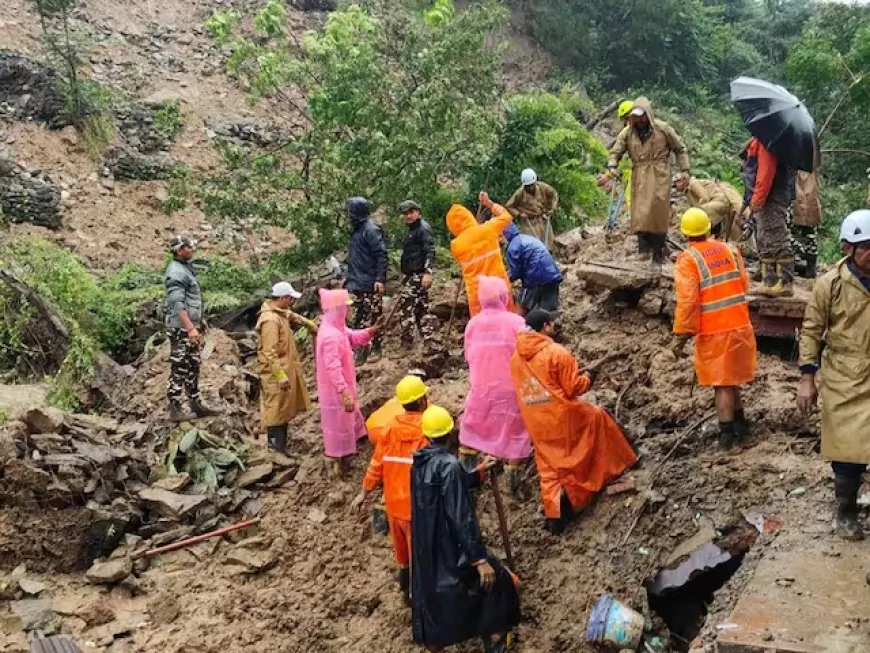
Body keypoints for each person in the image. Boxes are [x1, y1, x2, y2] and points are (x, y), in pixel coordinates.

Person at [511, 310, 637, 534]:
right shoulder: (556, 352)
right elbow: (573, 388)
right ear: (546, 326)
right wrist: (589, 378)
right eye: (552, 323)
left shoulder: (515, 359)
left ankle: (555, 514)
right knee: (597, 417)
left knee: (549, 467)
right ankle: (617, 466)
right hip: (563, 416)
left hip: (536, 421)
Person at [411, 405, 521, 653]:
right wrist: (478, 559)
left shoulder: (420, 463)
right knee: (499, 581)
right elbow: (460, 515)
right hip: (452, 546)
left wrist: (478, 473)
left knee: (439, 600)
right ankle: (495, 636)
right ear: (452, 433)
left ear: (427, 435)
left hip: (429, 547)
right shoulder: (449, 465)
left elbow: (445, 490)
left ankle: (436, 643)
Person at [797, 210, 870, 540]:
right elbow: (811, 331)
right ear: (847, 248)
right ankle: (846, 511)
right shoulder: (830, 284)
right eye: (866, 247)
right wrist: (807, 378)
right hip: (844, 376)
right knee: (846, 451)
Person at [671, 209, 758, 449]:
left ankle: (726, 436)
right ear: (709, 228)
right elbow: (743, 284)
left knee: (722, 384)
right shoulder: (730, 250)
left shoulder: (688, 259)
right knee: (732, 380)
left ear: (685, 234)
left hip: (716, 331)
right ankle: (741, 425)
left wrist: (681, 335)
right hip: (741, 326)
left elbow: (688, 302)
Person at [352, 375, 431, 603]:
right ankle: (417, 599)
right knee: (419, 557)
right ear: (422, 400)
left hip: (394, 507)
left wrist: (364, 492)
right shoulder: (426, 431)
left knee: (402, 554)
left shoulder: (389, 429)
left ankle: (405, 591)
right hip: (416, 508)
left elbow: (376, 464)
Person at [458, 276, 531, 494]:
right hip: (511, 388)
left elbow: (469, 355)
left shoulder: (473, 324)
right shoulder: (516, 322)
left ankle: (466, 479)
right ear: (503, 296)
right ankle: (512, 480)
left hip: (481, 389)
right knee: (516, 430)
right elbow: (528, 352)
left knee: (472, 426)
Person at [606, 97, 690, 268]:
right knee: (640, 212)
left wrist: (685, 170)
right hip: (640, 174)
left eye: (641, 117)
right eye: (635, 117)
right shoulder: (627, 133)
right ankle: (643, 250)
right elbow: (616, 151)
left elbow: (680, 149)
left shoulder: (663, 129)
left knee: (657, 210)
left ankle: (658, 251)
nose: (639, 121)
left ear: (648, 115)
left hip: (659, 173)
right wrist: (612, 165)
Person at [316, 288, 383, 479]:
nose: (350, 310)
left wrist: (371, 331)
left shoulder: (336, 328)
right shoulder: (330, 336)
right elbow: (333, 367)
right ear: (339, 308)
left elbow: (352, 337)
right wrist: (344, 392)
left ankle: (348, 454)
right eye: (347, 307)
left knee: (348, 420)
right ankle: (337, 464)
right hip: (336, 390)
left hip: (342, 386)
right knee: (338, 425)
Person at [164, 235, 220, 421]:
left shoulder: (186, 268)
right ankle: (175, 407)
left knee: (193, 363)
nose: (192, 249)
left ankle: (195, 402)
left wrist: (198, 324)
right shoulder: (176, 272)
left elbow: (191, 300)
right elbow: (177, 303)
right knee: (180, 365)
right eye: (188, 247)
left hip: (191, 325)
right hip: (181, 328)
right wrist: (189, 328)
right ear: (180, 250)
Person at [255, 282, 316, 454]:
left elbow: (291, 315)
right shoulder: (270, 321)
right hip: (274, 373)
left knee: (284, 408)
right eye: (290, 299)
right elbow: (269, 352)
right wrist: (280, 375)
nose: (292, 302)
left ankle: (281, 447)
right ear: (282, 298)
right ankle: (275, 449)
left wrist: (308, 323)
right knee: (276, 409)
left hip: (283, 369)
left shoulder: (279, 312)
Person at [741, 137, 796, 297]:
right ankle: (769, 281)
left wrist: (757, 200)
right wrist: (748, 200)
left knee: (776, 236)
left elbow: (765, 173)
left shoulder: (768, 143)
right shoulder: (760, 141)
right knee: (765, 238)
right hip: (766, 195)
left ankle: (785, 282)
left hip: (771, 195)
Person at [447, 191, 515, 317]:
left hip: (477, 294)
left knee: (481, 327)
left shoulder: (455, 245)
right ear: (468, 216)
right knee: (508, 322)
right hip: (499, 287)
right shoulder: (488, 228)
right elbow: (506, 217)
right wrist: (489, 204)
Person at [346, 197, 388, 364]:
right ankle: (361, 350)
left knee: (374, 315)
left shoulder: (371, 230)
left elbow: (381, 255)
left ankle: (376, 348)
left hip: (370, 282)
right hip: (357, 281)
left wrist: (380, 278)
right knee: (359, 317)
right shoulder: (357, 231)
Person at [396, 200, 439, 352]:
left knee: (406, 308)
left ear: (418, 212)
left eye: (411, 212)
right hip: (411, 275)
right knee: (421, 309)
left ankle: (407, 343)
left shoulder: (423, 229)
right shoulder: (411, 231)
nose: (408, 216)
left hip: (418, 275)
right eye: (405, 213)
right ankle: (429, 342)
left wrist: (428, 272)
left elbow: (430, 251)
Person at [502, 223, 562, 314]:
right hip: (552, 274)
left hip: (535, 277)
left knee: (522, 305)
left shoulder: (513, 247)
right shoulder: (526, 238)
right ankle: (549, 322)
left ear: (504, 235)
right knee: (549, 309)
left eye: (500, 236)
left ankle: (518, 322)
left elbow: (516, 272)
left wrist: (504, 279)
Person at [504, 168, 559, 250]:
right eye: (528, 186)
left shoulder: (543, 187)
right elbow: (509, 206)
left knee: (549, 244)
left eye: (532, 185)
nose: (530, 188)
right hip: (529, 223)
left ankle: (550, 256)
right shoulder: (519, 193)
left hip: (543, 219)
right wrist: (519, 214)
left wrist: (552, 208)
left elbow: (554, 195)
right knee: (532, 246)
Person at [684, 176, 743, 241]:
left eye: (677, 183)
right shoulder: (687, 190)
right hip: (717, 204)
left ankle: (705, 239)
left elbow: (705, 198)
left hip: (718, 201)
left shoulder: (693, 183)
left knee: (701, 215)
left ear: (683, 180)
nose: (676, 186)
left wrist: (697, 211)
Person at [791, 160, 822, 278]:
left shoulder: (792, 166)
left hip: (797, 204)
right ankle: (810, 267)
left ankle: (798, 263)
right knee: (810, 236)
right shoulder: (812, 166)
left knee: (793, 234)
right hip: (810, 204)